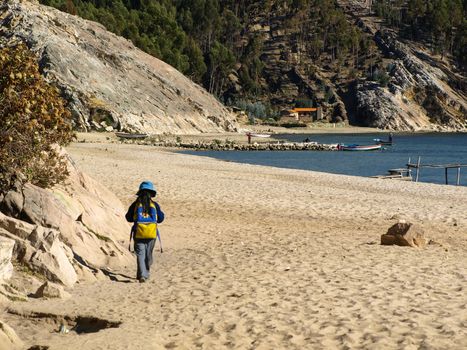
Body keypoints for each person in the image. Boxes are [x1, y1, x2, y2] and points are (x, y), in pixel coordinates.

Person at [125, 181, 164, 283]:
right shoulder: (154, 205)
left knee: (140, 255)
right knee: (148, 255)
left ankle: (142, 275)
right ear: (151, 193)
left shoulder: (135, 205)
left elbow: (128, 218)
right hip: (152, 234)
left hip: (139, 233)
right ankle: (144, 274)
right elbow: (160, 219)